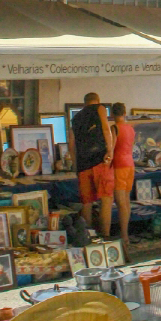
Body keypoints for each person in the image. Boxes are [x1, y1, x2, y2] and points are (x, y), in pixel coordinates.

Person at [69, 92, 114, 237]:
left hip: (83, 165)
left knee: (87, 203)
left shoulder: (75, 119)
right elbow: (106, 129)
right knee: (106, 199)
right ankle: (105, 236)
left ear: (84, 103)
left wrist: (76, 165)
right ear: (98, 101)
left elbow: (72, 144)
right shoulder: (99, 109)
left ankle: (87, 236)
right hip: (99, 159)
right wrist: (110, 150)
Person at [110, 102, 135, 254]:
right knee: (126, 200)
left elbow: (111, 148)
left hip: (118, 165)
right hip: (129, 164)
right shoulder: (131, 129)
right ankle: (126, 234)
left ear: (112, 114)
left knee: (120, 203)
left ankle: (124, 235)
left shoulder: (115, 128)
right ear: (125, 113)